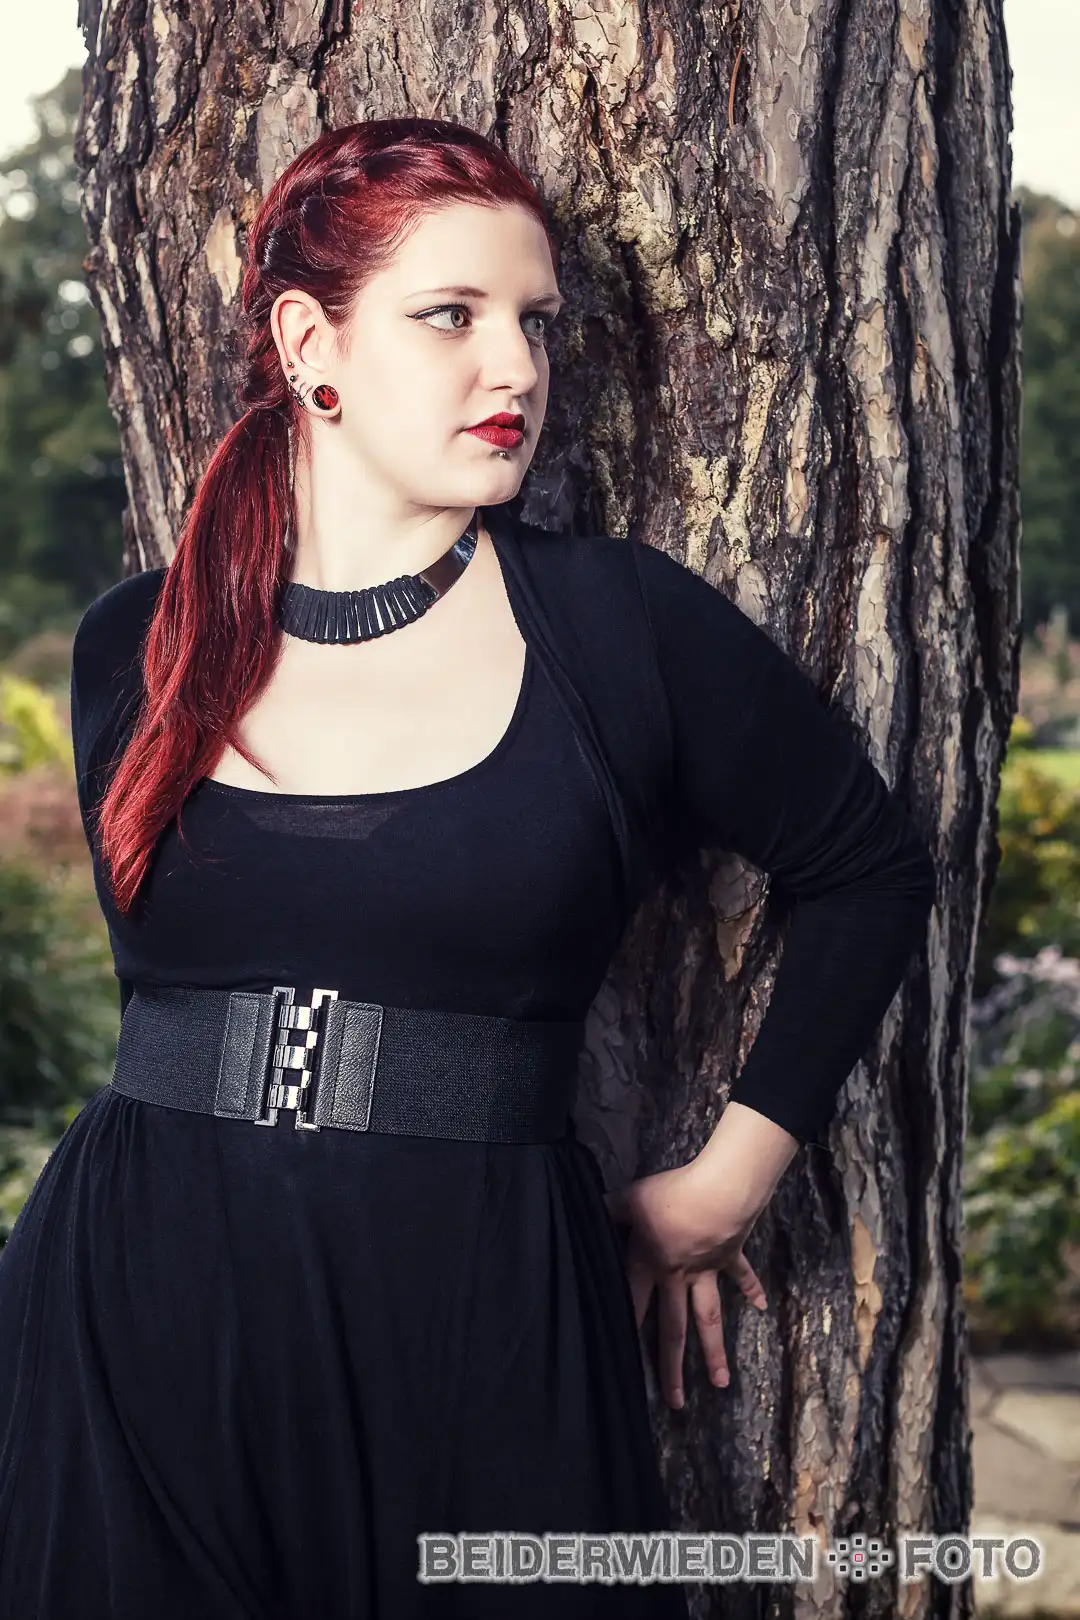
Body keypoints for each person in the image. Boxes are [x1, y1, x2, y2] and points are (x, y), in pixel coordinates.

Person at [0, 118, 936, 1618]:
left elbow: (870, 868)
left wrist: (723, 1186)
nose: (516, 367)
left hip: (479, 1316)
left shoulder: (620, 629)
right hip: (137, 1306)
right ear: (309, 342)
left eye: (535, 322)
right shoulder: (139, 644)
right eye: (452, 315)